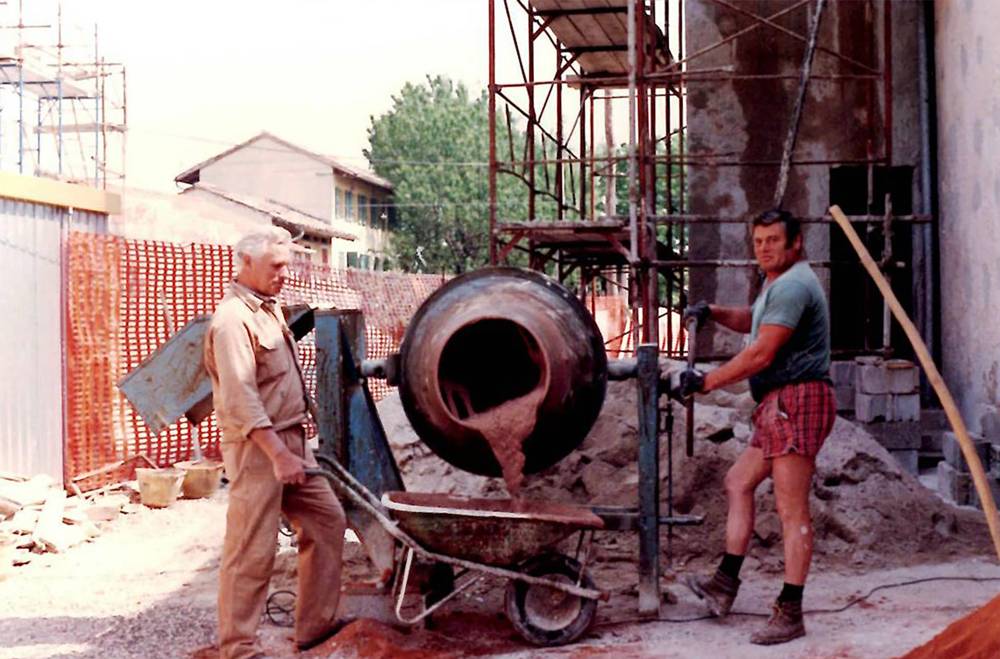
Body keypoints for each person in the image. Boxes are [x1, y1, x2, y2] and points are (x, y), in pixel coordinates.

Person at [672, 209, 835, 646]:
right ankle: (724, 585)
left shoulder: (796, 284)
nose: (763, 247)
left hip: (798, 399)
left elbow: (761, 353)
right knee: (737, 481)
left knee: (791, 508)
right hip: (778, 402)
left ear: (796, 243)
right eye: (758, 240)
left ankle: (791, 610)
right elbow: (753, 320)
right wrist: (713, 312)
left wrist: (705, 382)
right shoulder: (777, 286)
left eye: (773, 240)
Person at [204, 226, 348, 658]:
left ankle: (314, 630)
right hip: (258, 449)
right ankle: (238, 648)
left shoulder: (269, 310)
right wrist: (279, 454)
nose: (284, 274)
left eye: (287, 265)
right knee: (251, 550)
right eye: (276, 266)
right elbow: (241, 398)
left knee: (327, 521)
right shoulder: (232, 321)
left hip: (289, 441)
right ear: (246, 263)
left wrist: (299, 441)